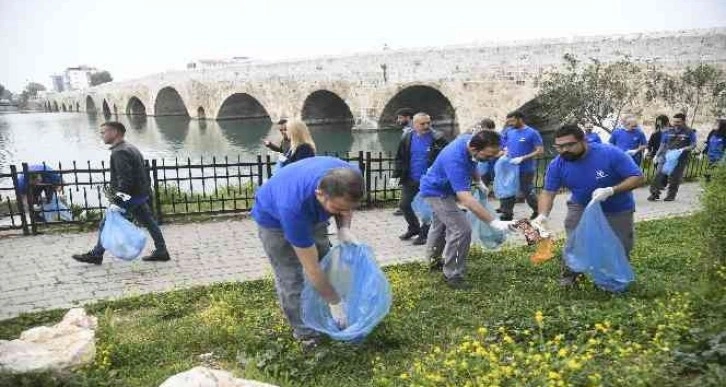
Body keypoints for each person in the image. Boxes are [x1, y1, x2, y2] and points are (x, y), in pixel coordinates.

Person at [251, 156, 363, 348]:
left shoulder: (351, 177)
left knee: (325, 261)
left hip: (311, 212)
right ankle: (305, 333)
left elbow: (344, 207)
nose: (344, 211)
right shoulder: (294, 208)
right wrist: (335, 303)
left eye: (349, 208)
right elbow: (312, 270)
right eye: (337, 208)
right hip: (274, 221)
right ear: (320, 194)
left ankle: (322, 314)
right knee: (291, 276)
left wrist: (343, 228)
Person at [532, 125, 644, 286]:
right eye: (559, 147)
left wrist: (611, 190)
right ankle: (571, 276)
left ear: (584, 141)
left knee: (621, 244)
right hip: (581, 205)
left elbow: (638, 177)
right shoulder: (558, 164)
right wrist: (542, 215)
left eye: (569, 145)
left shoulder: (610, 154)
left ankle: (615, 278)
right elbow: (548, 192)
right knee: (575, 240)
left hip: (618, 207)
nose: (564, 150)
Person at [419, 130, 512, 289]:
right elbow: (466, 200)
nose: (491, 159)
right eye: (489, 156)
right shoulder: (455, 160)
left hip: (440, 187)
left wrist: (478, 181)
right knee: (461, 230)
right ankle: (453, 274)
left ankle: (433, 260)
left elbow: (473, 162)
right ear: (475, 149)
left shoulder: (469, 141)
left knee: (440, 226)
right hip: (437, 192)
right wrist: (493, 221)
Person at [72, 122, 170, 264]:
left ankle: (96, 254)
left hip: (129, 198)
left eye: (104, 132)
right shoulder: (130, 147)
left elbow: (126, 181)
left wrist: (118, 201)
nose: (102, 135)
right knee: (149, 222)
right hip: (139, 195)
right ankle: (162, 251)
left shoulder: (120, 152)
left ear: (115, 132)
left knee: (106, 223)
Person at [392, 113, 449, 245]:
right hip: (410, 178)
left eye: (428, 123)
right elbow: (400, 158)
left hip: (429, 181)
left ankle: (424, 234)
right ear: (414, 124)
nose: (426, 126)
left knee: (427, 209)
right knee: (404, 205)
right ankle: (413, 228)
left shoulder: (438, 138)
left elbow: (447, 157)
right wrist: (396, 175)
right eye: (422, 124)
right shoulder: (407, 137)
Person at [499, 111, 544, 221]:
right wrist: (504, 149)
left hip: (525, 169)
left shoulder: (532, 133)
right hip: (510, 167)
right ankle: (507, 214)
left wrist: (522, 158)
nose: (510, 123)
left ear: (520, 119)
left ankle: (538, 210)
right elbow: (503, 143)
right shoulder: (509, 131)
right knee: (508, 189)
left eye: (512, 121)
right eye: (508, 121)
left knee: (527, 191)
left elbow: (540, 150)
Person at [648, 113, 697, 201]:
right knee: (659, 174)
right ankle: (654, 193)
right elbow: (662, 145)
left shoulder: (689, 132)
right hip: (667, 157)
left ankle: (671, 195)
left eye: (678, 122)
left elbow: (693, 145)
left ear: (683, 121)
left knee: (675, 177)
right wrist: (657, 155)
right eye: (674, 121)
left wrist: (684, 149)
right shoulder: (668, 131)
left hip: (680, 158)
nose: (675, 123)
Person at [392, 108, 416, 216]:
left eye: (400, 118)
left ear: (408, 117)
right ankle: (404, 206)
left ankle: (404, 207)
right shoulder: (407, 130)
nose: (398, 120)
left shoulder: (413, 131)